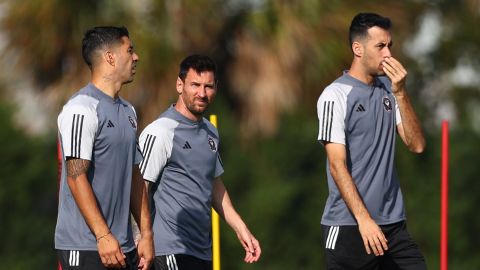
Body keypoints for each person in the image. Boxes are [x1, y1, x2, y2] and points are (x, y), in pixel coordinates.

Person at [316, 13, 427, 269]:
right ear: (358, 48)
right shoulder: (335, 95)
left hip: (393, 225)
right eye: (380, 46)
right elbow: (336, 165)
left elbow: (417, 144)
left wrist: (400, 92)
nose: (388, 54)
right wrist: (364, 220)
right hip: (349, 226)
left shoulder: (390, 89)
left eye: (390, 45)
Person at [138, 54, 261, 270]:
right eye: (195, 85)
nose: (202, 93)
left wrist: (242, 229)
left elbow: (214, 185)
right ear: (180, 84)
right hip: (168, 250)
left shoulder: (210, 132)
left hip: (202, 251)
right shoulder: (161, 131)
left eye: (208, 86)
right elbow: (138, 189)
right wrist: (141, 241)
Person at [55, 26, 154, 270]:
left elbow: (135, 176)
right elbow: (76, 177)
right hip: (87, 247)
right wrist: (102, 236)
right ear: (110, 57)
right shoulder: (81, 108)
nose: (136, 57)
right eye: (129, 50)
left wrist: (146, 233)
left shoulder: (128, 111)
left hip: (124, 248)